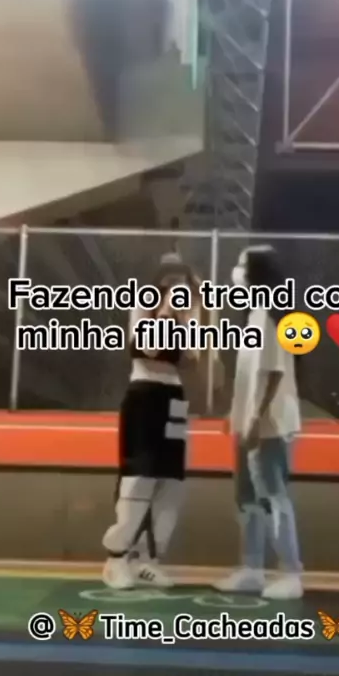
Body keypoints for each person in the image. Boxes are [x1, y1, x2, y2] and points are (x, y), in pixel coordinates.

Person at [102, 253, 203, 590]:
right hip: (144, 395)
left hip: (173, 398)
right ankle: (117, 558)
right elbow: (145, 350)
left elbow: (190, 359)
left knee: (170, 481)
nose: (177, 289)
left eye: (183, 284)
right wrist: (168, 319)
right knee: (139, 476)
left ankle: (148, 558)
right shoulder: (144, 307)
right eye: (171, 282)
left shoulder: (187, 315)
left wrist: (188, 319)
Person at [215, 245, 304, 599]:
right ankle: (251, 568)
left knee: (272, 496)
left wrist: (254, 418)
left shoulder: (270, 315)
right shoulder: (255, 314)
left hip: (269, 425)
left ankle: (290, 572)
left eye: (242, 266)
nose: (237, 273)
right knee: (247, 497)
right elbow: (250, 377)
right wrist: (236, 415)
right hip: (250, 423)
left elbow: (274, 374)